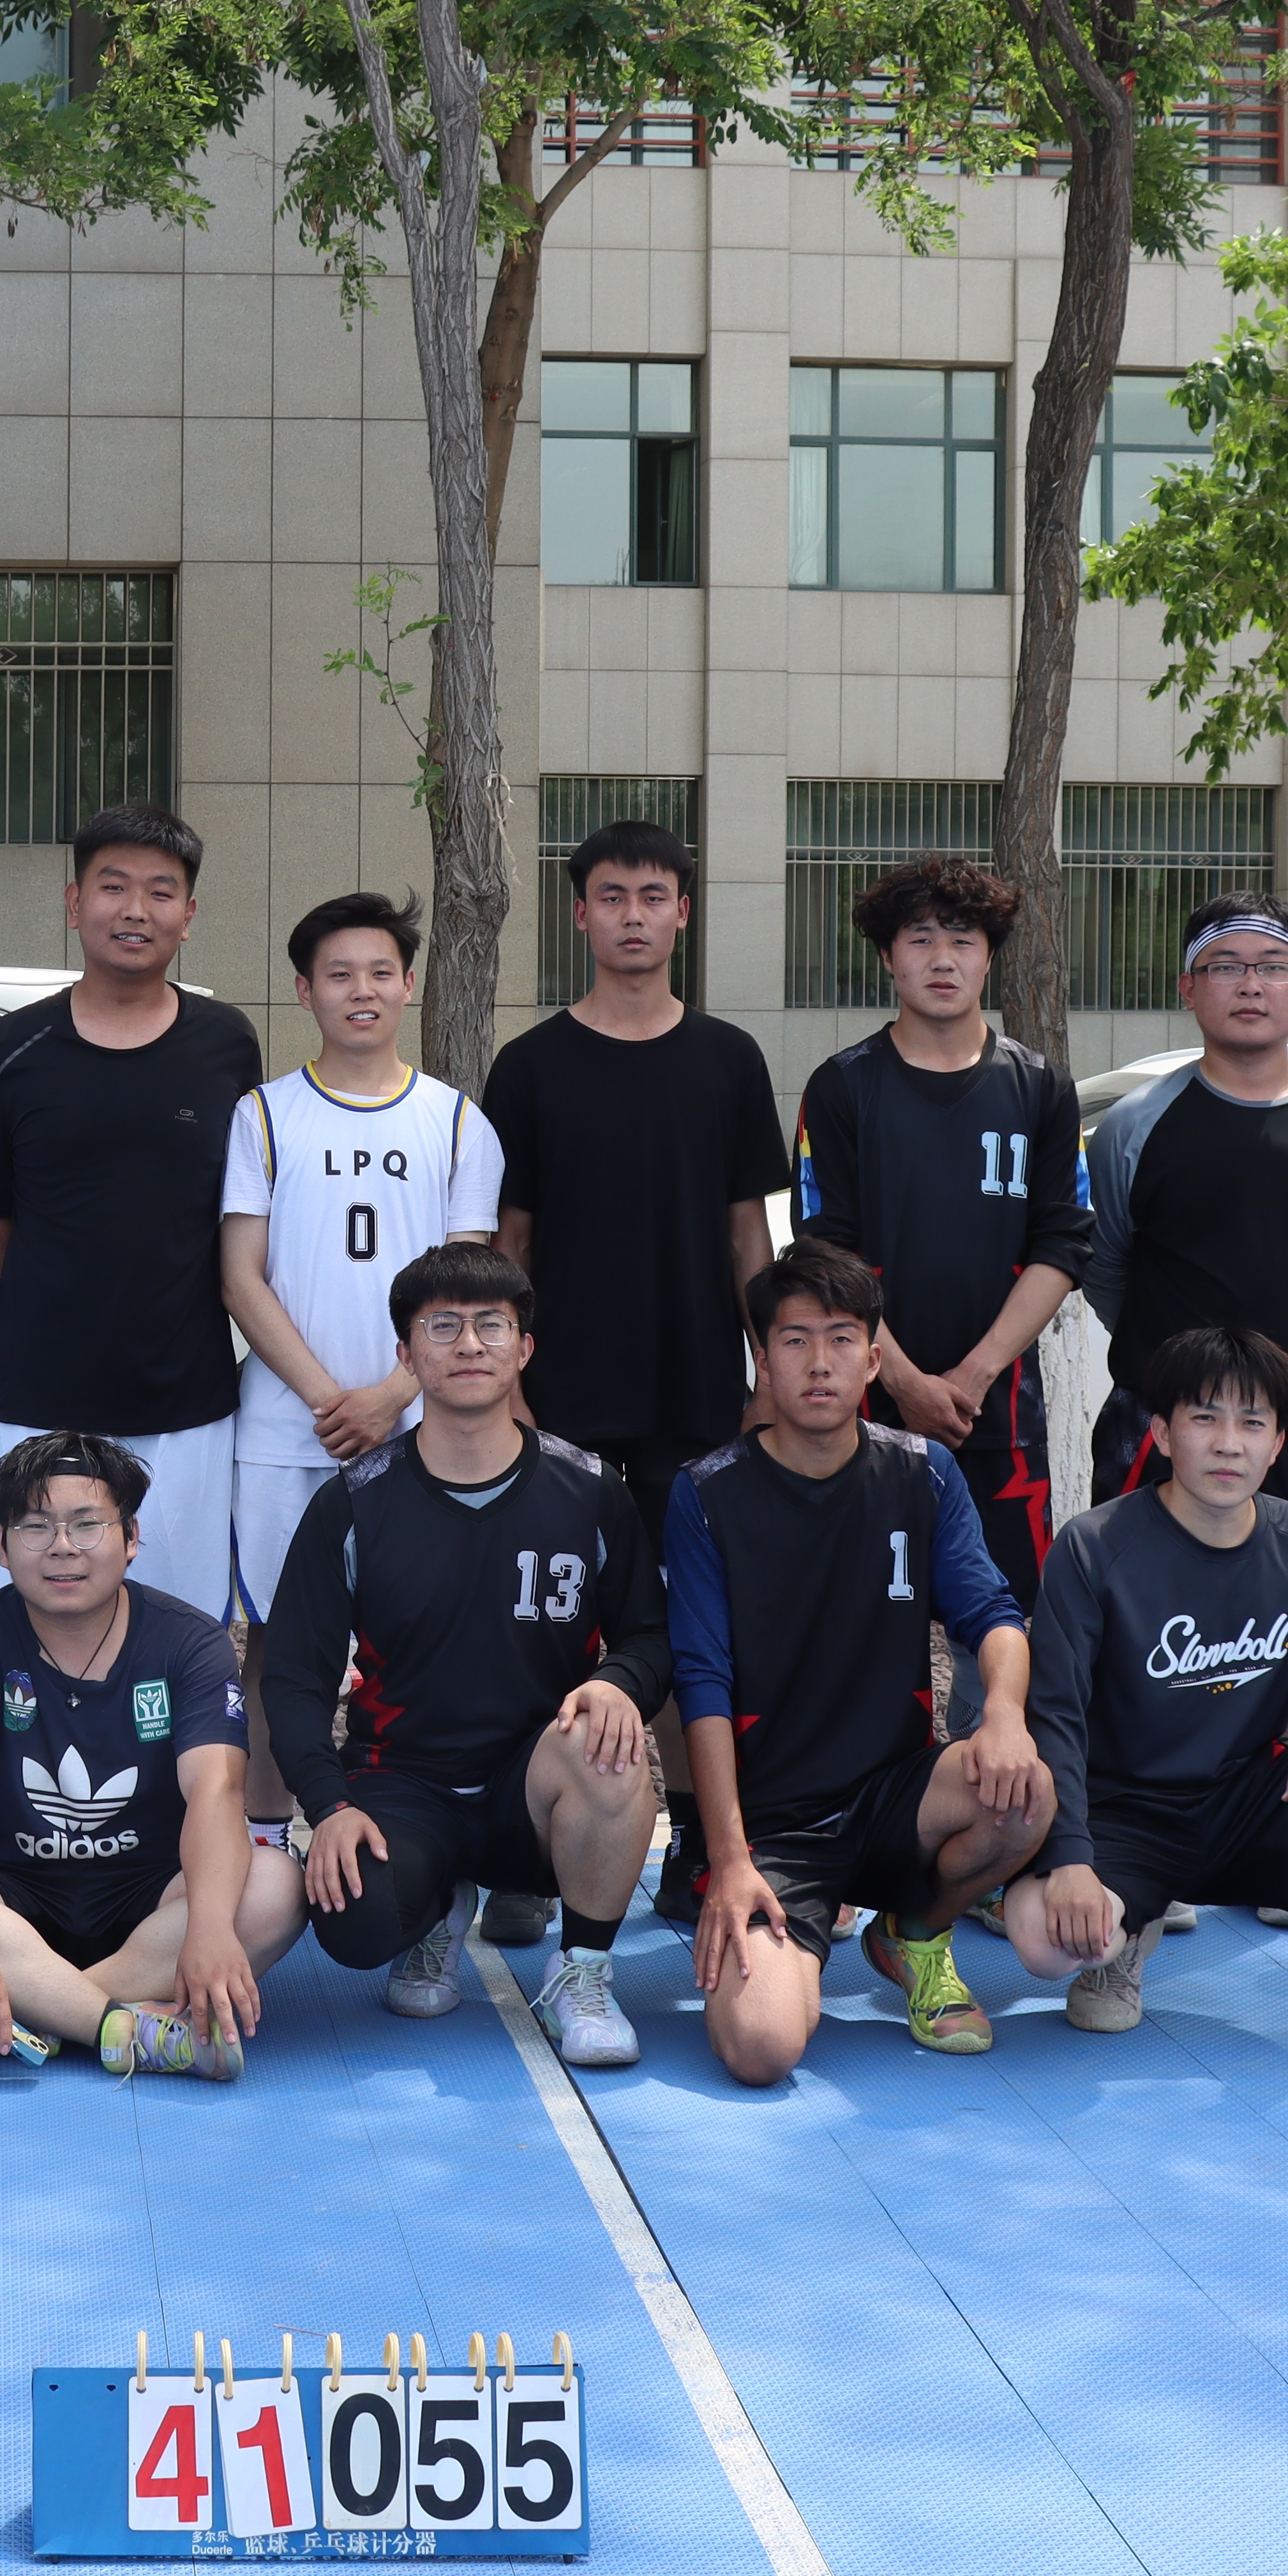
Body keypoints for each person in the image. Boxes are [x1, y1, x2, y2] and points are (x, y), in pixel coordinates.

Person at [1007, 1328, 1288, 2069]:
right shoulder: (1094, 1546)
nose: (1229, 1443)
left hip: (1247, 1805)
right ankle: (1124, 1935)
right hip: (1124, 1817)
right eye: (1205, 1418)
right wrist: (1068, 1860)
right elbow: (1053, 1716)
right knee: (1040, 1941)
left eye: (1252, 1422)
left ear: (1277, 1442)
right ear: (1163, 1433)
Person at [479, 819, 785, 1939]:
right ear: (580, 914)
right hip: (559, 1401)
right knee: (543, 1626)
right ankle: (526, 1849)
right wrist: (509, 1389)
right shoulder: (531, 1066)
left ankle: (698, 1842)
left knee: (689, 1626)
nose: (633, 916)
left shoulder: (727, 1059)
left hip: (692, 1394)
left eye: (654, 896)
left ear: (682, 914)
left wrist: (764, 1372)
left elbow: (747, 1233)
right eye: (611, 897)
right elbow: (508, 1242)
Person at [266, 1245, 670, 2067]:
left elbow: (648, 1637)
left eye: (492, 1325)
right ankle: (436, 1906)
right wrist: (328, 1804)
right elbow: (293, 1676)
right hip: (404, 1779)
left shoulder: (590, 1489)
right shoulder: (352, 1502)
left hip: (535, 1786)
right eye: (442, 1327)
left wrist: (619, 1684)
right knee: (351, 1921)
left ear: (524, 1348)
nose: (470, 1344)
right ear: (407, 1355)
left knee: (609, 1741)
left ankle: (583, 1970)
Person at [673, 1245, 1052, 2076]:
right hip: (776, 1825)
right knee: (761, 2047)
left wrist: (1002, 1714)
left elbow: (993, 1615)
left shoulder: (924, 1473)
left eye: (842, 1339)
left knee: (1025, 1792)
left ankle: (913, 1932)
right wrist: (729, 1859)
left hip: (894, 1796)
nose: (820, 1362)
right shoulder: (705, 1492)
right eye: (796, 1339)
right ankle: (792, 1952)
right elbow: (702, 1682)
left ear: (874, 1360)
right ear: (763, 1359)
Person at [0, 1432, 310, 2077]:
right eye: (35, 1526)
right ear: (2, 1546)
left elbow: (216, 1789)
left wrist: (210, 1929)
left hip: (151, 1899)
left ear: (131, 1538)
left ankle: (26, 2014)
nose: (62, 1546)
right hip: (6, 1899)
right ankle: (123, 2028)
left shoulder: (189, 1642)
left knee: (277, 1885)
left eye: (86, 1524)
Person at [219, 890, 502, 1843]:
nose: (362, 989)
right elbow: (240, 1274)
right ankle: (264, 1837)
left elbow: (466, 1289)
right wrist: (326, 1396)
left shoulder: (456, 1121)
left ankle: (415, 1831)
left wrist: (392, 1394)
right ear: (305, 990)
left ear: (410, 983)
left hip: (419, 1429)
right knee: (278, 1642)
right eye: (339, 974)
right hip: (285, 1425)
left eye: (381, 971)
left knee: (422, 1641)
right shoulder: (263, 1114)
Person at [791, 855, 1091, 1709]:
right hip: (864, 1412)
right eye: (920, 938)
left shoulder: (1040, 1087)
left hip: (1000, 1416)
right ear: (889, 956)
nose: (942, 958)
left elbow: (1065, 1243)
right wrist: (905, 1380)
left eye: (962, 938)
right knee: (861, 1625)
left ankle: (985, 1787)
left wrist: (973, 1374)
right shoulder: (842, 1087)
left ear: (990, 955)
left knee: (1001, 1632)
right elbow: (823, 1252)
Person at [0, 805, 260, 1621]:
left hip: (186, 1398)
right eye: (112, 886)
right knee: (26, 1624)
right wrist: (62, 1287)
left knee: (179, 1626)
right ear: (73, 902)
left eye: (160, 891)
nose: (135, 909)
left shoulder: (227, 1042)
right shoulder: (9, 1050)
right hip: (39, 1392)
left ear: (188, 915)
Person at [1084, 895, 1288, 1544]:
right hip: (1163, 1422)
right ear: (1189, 988)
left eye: (1275, 967)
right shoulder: (1133, 1125)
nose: (1252, 985)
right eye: (1225, 966)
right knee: (1137, 1598)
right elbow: (1108, 1267)